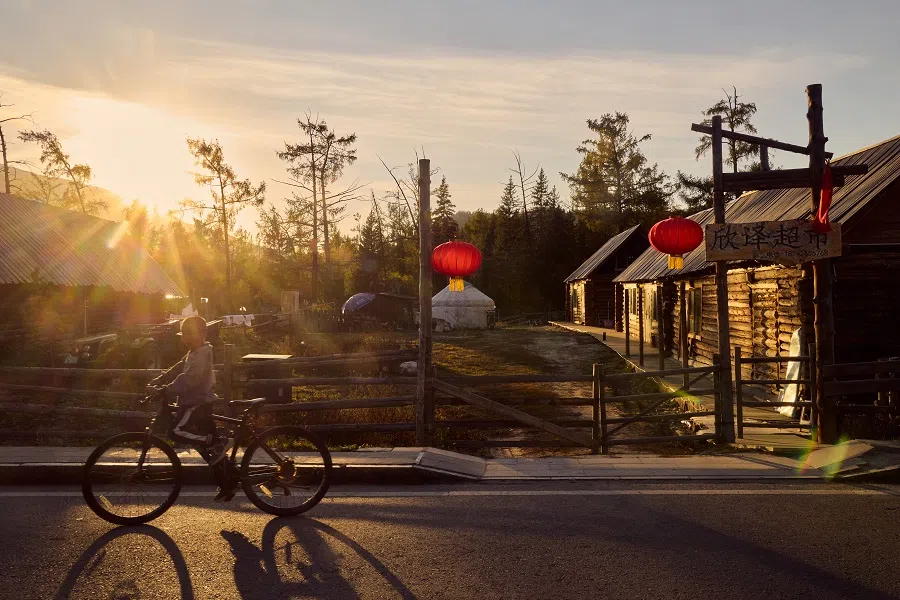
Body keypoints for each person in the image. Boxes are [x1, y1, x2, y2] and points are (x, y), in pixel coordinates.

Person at [149, 315, 236, 501]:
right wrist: (162, 378)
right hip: (194, 402)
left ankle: (216, 441)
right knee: (209, 450)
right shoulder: (194, 352)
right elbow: (179, 367)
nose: (186, 338)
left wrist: (167, 390)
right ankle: (228, 482)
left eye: (190, 334)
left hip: (197, 403)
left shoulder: (203, 353)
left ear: (202, 334)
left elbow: (189, 378)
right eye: (184, 335)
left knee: (176, 432)